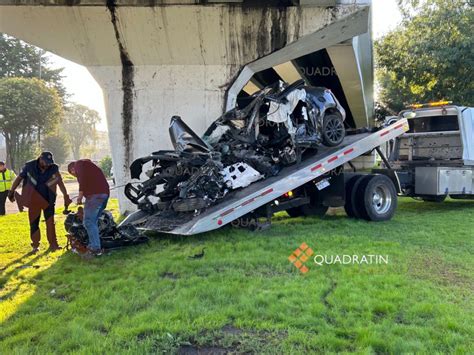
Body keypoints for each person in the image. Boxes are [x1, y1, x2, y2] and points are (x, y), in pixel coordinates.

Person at [8, 152, 72, 253]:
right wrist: (11, 192)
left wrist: (65, 196)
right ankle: (35, 246)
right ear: (40, 159)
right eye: (45, 162)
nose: (47, 165)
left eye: (49, 163)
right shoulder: (29, 166)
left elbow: (60, 182)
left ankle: (53, 245)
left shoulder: (54, 168)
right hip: (34, 200)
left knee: (50, 223)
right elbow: (19, 178)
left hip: (49, 200)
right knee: (34, 223)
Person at [68, 159, 110, 256]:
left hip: (95, 196)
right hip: (104, 195)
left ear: (72, 169)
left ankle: (95, 248)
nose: (75, 176)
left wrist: (80, 195)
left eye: (73, 174)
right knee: (93, 221)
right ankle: (96, 243)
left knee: (88, 222)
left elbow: (82, 179)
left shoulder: (78, 164)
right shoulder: (89, 167)